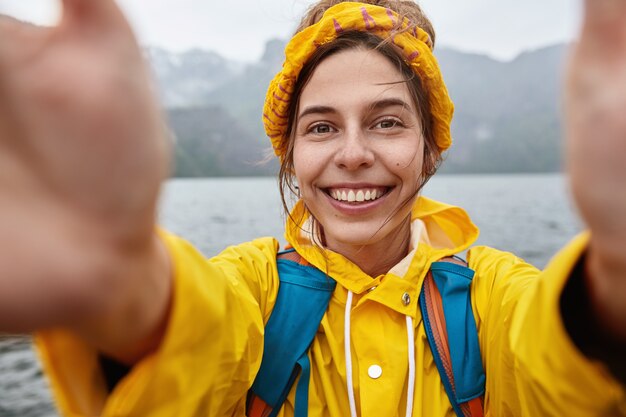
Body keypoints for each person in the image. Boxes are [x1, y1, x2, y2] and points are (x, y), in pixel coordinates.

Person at [0, 0, 625, 415]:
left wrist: (615, 280)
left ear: (431, 150)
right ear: (290, 154)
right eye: (322, 128)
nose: (352, 154)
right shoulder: (251, 287)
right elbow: (198, 341)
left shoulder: (494, 295)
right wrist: (126, 290)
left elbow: (553, 369)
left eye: (386, 122)